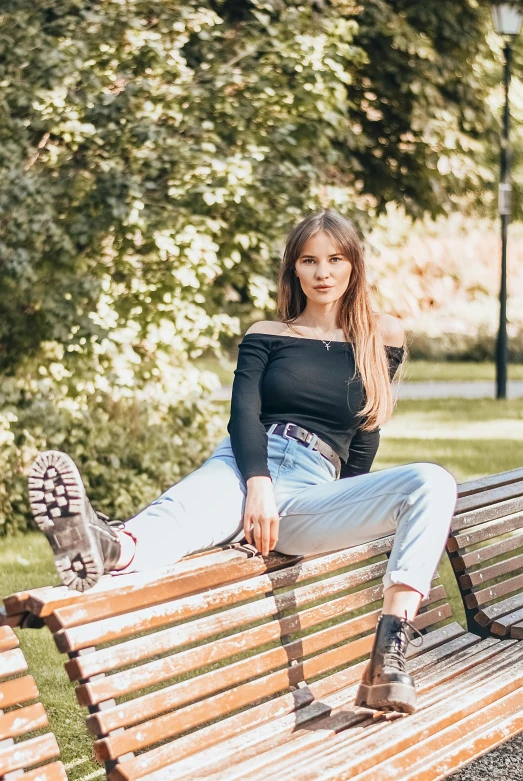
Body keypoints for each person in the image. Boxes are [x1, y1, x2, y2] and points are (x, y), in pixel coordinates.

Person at [27, 209, 458, 715]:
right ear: (293, 270)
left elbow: (367, 432)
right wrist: (258, 484)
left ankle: (389, 654)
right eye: (309, 260)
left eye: (335, 259)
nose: (323, 272)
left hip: (315, 484)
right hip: (245, 463)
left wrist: (351, 504)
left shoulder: (381, 335)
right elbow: (243, 415)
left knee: (433, 481)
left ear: (353, 265)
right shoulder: (268, 332)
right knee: (184, 514)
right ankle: (106, 546)